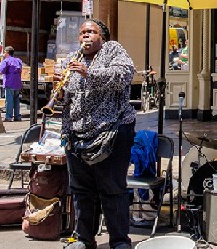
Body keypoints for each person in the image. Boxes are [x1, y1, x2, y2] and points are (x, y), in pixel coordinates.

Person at [60, 19, 136, 249]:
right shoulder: (74, 59)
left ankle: (120, 241)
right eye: (82, 32)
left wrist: (89, 73)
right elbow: (69, 99)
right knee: (82, 190)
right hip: (78, 133)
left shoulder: (113, 50)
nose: (86, 35)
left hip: (111, 130)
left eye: (91, 32)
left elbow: (123, 75)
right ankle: (84, 238)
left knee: (112, 189)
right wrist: (59, 88)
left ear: (101, 37)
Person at [0, 46, 23, 122]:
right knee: (16, 101)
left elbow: (0, 71)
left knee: (9, 101)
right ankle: (17, 116)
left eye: (4, 52)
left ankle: (8, 117)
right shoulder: (18, 60)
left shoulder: (6, 61)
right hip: (17, 83)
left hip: (9, 83)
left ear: (7, 53)